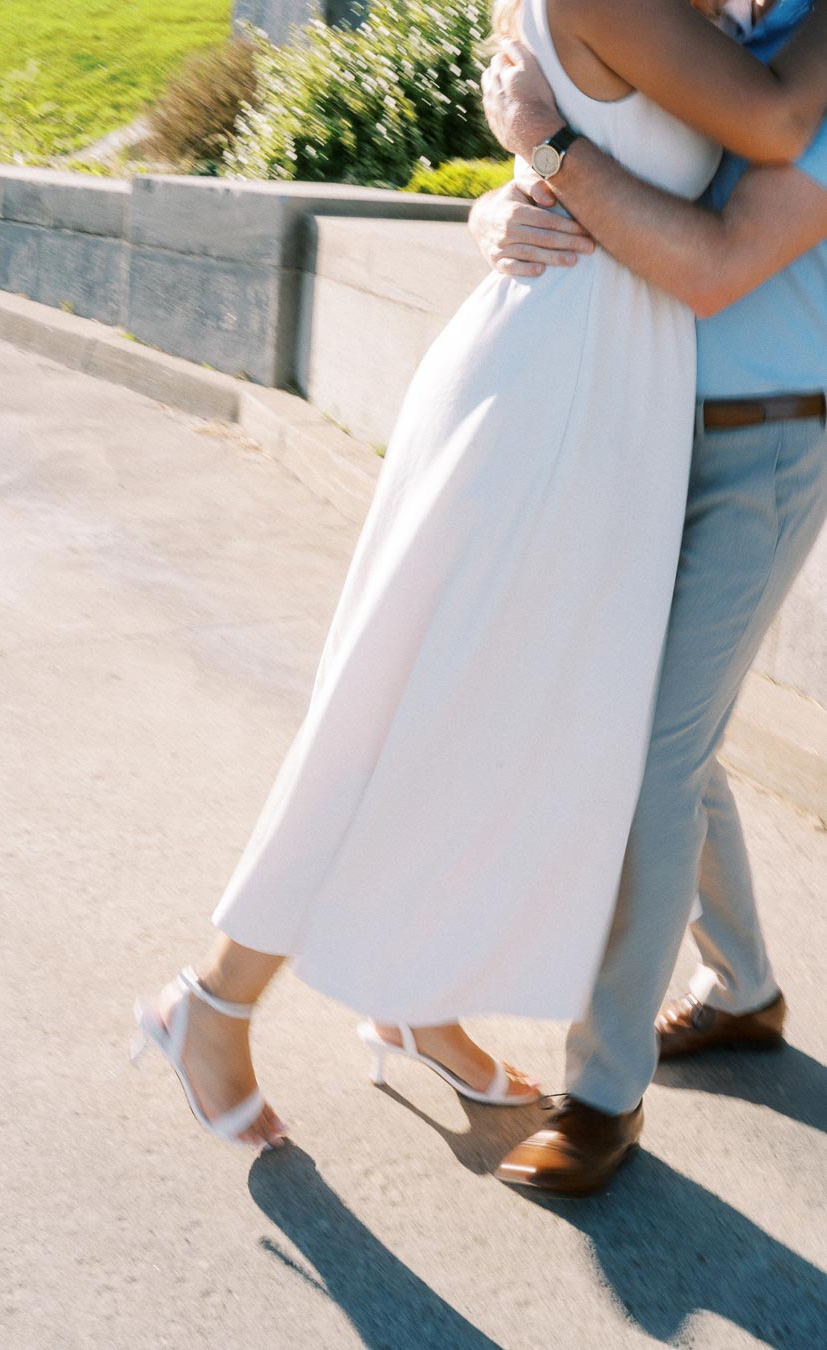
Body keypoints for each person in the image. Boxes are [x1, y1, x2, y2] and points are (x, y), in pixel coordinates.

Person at [131, 0, 827, 1155]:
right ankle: (213, 1000)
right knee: (404, 702)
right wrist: (516, 186)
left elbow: (688, 183)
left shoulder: (722, 21)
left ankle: (428, 1003)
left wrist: (534, 166)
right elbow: (737, 122)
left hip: (644, 405)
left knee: (557, 718)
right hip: (555, 395)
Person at [473, 0, 827, 1194]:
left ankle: (601, 1094)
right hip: (639, 421)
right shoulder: (737, 38)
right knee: (675, 730)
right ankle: (747, 990)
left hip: (765, 447)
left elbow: (714, 264)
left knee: (653, 757)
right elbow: (603, 135)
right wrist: (513, 191)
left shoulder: (808, 74)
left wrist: (553, 155)